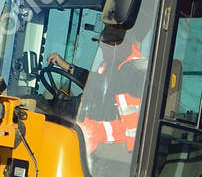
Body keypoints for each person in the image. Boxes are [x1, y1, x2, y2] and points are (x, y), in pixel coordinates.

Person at [47, 10, 150, 159]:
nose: (101, 48)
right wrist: (67, 67)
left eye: (105, 45)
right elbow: (96, 83)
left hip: (127, 150)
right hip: (110, 141)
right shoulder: (112, 67)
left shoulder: (134, 71)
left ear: (118, 46)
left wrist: (90, 130)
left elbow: (106, 85)